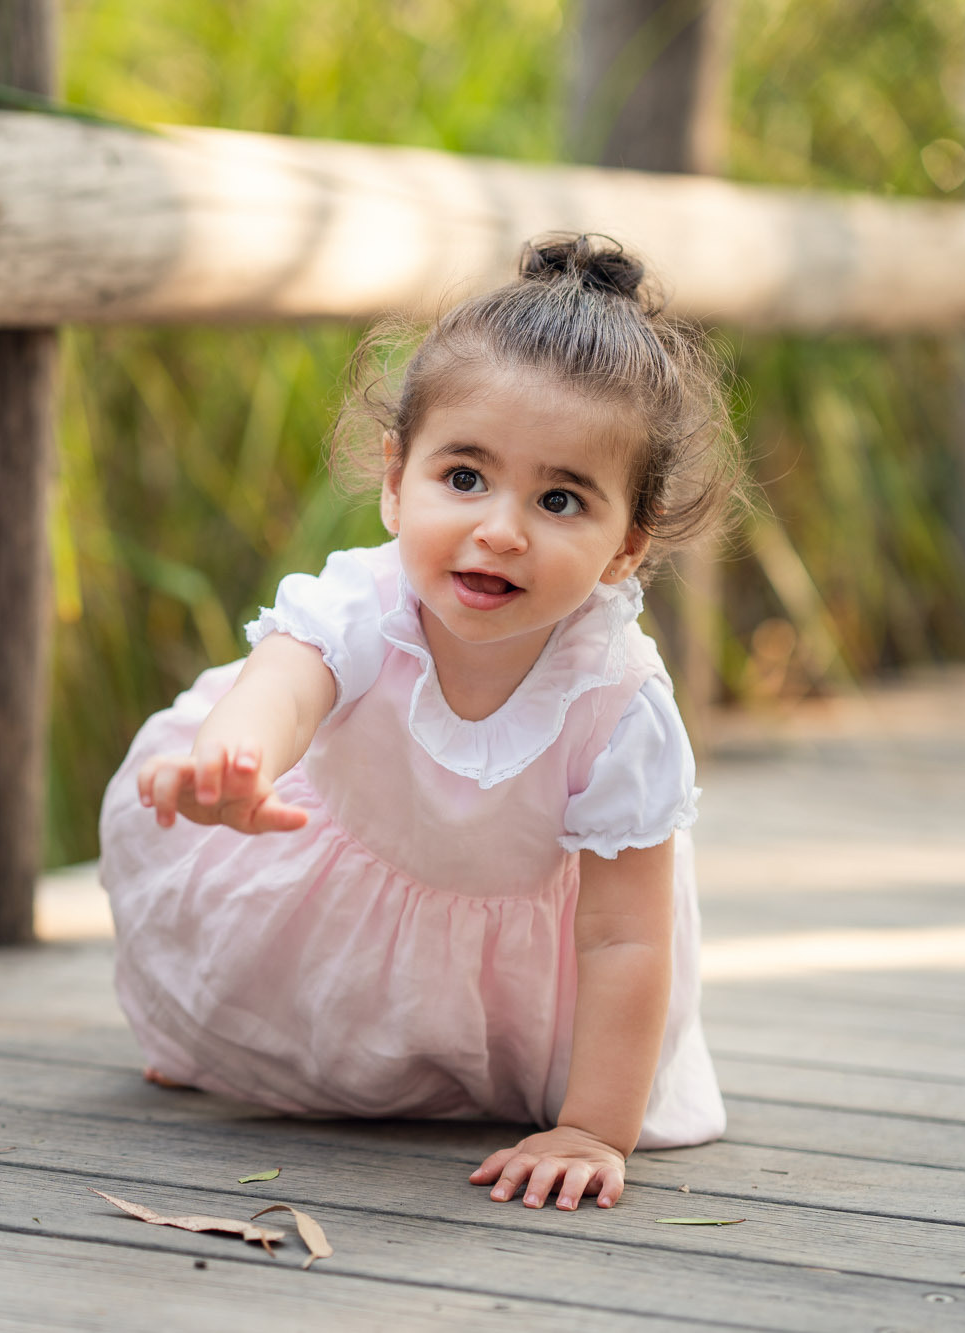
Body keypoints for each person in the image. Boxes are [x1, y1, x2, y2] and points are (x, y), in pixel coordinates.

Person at [99, 234, 740, 1213]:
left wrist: (590, 1128)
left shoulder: (616, 701)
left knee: (541, 1052)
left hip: (537, 956)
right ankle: (225, 1041)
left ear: (627, 545)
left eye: (560, 498)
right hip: (340, 887)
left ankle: (538, 1093)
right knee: (280, 1021)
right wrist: (238, 759)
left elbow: (622, 939)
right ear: (397, 480)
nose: (499, 528)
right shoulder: (364, 605)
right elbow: (284, 680)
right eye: (465, 477)